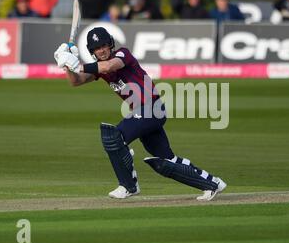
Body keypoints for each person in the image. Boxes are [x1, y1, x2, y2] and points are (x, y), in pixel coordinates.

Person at [53, 27, 227, 200]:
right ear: (92, 51)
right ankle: (212, 184)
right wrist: (67, 65)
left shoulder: (122, 54)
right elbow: (76, 82)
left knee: (114, 137)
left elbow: (108, 67)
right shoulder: (98, 67)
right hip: (144, 113)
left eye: (104, 45)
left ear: (111, 44)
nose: (102, 50)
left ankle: (129, 186)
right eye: (97, 48)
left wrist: (78, 64)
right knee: (165, 162)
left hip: (151, 108)